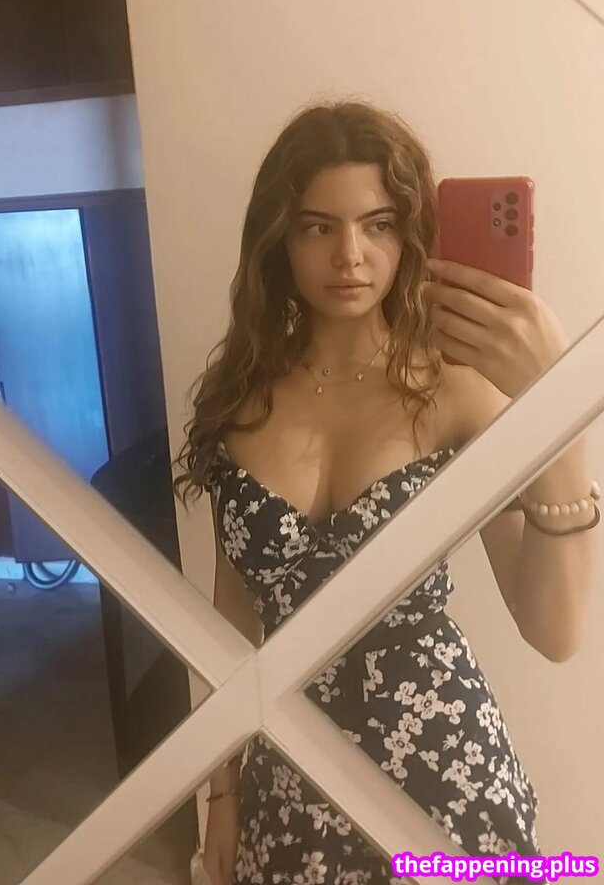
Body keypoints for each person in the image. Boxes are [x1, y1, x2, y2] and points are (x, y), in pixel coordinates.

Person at [173, 99, 598, 885]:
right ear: (280, 239)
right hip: (287, 773)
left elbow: (555, 629)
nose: (350, 256)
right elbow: (232, 613)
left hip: (445, 771)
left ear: (411, 237)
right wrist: (219, 790)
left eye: (378, 225)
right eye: (317, 227)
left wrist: (556, 410)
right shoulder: (240, 400)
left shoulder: (455, 395)